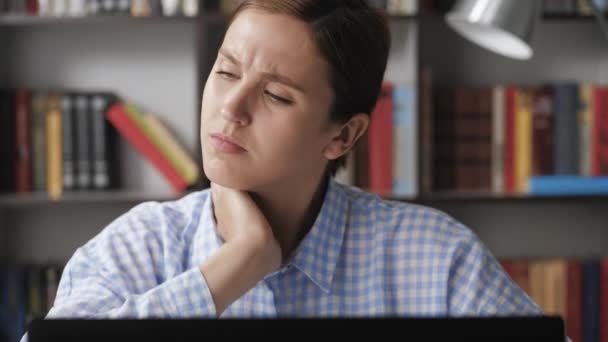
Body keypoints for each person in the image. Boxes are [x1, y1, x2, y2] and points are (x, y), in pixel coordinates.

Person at [21, 1, 543, 340]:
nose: (232, 107)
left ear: (343, 135)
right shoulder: (139, 246)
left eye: (275, 95)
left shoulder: (438, 259)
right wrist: (237, 265)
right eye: (225, 72)